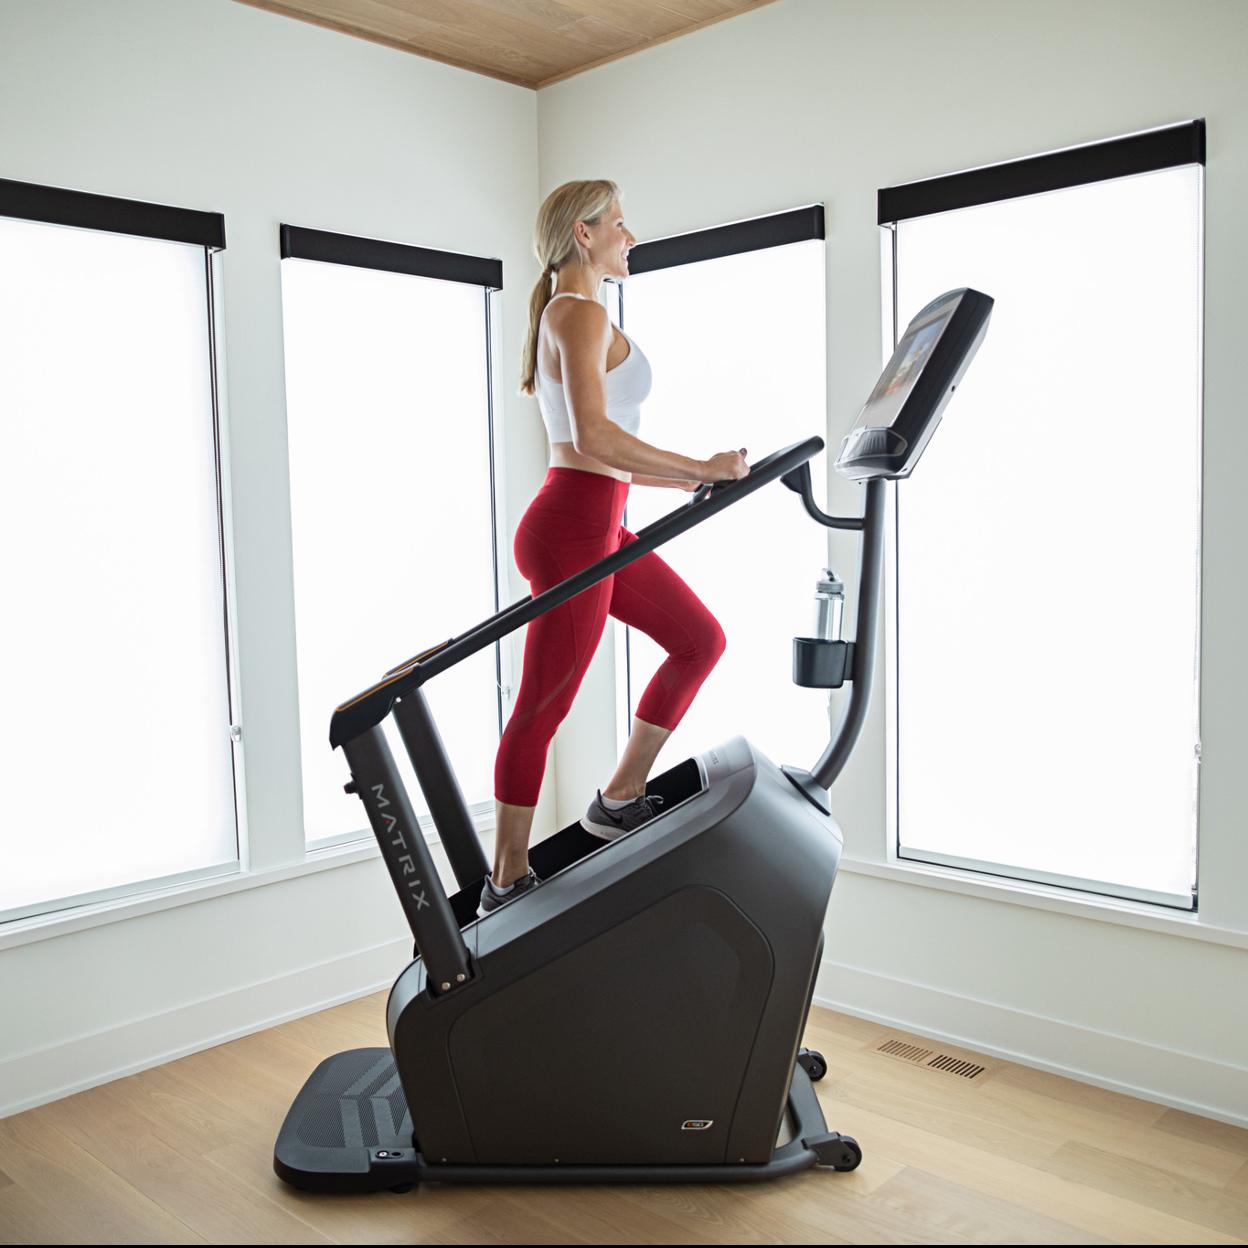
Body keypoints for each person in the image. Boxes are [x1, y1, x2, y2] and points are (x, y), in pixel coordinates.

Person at [482, 179, 749, 915]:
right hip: (573, 529)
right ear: (584, 236)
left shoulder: (576, 312)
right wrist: (700, 465)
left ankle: (620, 793)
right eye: (620, 225)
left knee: (699, 639)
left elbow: (605, 456)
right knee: (542, 707)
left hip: (599, 521)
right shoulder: (579, 312)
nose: (631, 237)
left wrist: (689, 485)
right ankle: (504, 879)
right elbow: (595, 439)